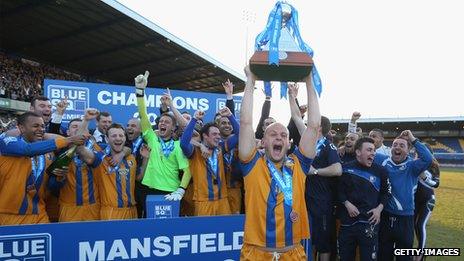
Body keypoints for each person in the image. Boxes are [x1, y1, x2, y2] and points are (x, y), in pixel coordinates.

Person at [238, 66, 320, 260]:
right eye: (273, 134)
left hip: (293, 253)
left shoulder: (298, 165)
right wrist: (250, 80)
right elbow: (246, 123)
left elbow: (314, 126)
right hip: (256, 254)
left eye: (284, 135)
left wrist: (309, 80)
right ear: (263, 142)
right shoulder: (251, 164)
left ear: (288, 143)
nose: (279, 138)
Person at [0, 112, 87, 225]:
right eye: (35, 126)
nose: (41, 129)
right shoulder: (8, 142)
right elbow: (27, 150)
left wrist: (59, 177)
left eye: (42, 126)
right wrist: (68, 140)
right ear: (21, 128)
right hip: (9, 215)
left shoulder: (48, 153)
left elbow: (51, 188)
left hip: (39, 215)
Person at [287, 83, 342, 261]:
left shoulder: (328, 145)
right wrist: (292, 96)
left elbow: (337, 169)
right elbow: (296, 117)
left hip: (322, 201)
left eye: (312, 120)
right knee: (308, 239)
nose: (308, 122)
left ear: (319, 127)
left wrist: (315, 171)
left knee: (323, 241)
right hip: (305, 199)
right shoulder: (308, 137)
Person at [134, 72, 191, 213]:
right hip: (148, 190)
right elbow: (143, 114)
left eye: (167, 122)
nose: (162, 123)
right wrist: (140, 91)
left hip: (170, 192)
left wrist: (181, 190)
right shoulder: (152, 138)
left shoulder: (178, 145)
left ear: (173, 128)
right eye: (161, 122)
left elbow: (188, 170)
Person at [378, 130, 433, 261]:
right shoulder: (382, 161)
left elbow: (427, 158)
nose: (397, 147)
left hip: (405, 220)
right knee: (383, 255)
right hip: (385, 217)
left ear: (408, 151)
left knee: (404, 257)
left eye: (402, 145)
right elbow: (364, 151)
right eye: (395, 145)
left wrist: (413, 139)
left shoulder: (413, 166)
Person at [338, 137, 391, 261]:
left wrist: (379, 209)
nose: (373, 153)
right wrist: (346, 203)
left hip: (369, 223)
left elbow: (387, 193)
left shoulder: (381, 171)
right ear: (358, 152)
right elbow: (338, 191)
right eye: (369, 150)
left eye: (373, 151)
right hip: (347, 223)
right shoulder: (345, 169)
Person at [54, 110, 104, 222]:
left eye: (81, 127)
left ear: (87, 132)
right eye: (74, 127)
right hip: (69, 208)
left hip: (92, 207)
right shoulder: (59, 149)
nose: (78, 128)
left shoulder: (97, 148)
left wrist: (85, 120)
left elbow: (91, 158)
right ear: (67, 132)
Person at [94, 123, 138, 220]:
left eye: (121, 135)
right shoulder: (101, 158)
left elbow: (138, 178)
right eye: (114, 136)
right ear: (107, 138)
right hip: (111, 212)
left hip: (132, 211)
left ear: (125, 138)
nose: (118, 138)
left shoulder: (131, 158)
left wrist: (122, 153)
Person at [414, 144, 440, 261]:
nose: (419, 154)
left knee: (420, 225)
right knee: (412, 225)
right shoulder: (413, 163)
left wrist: (424, 178)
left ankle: (421, 253)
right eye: (418, 152)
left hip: (428, 199)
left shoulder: (433, 166)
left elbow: (436, 184)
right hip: (413, 199)